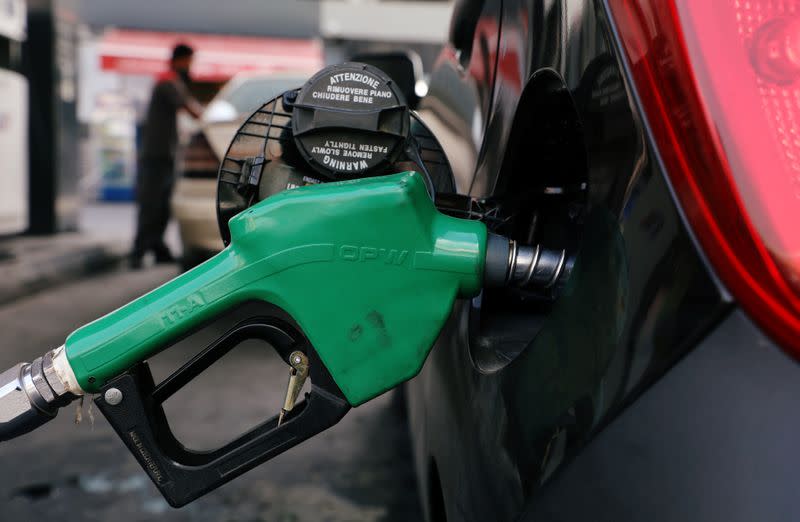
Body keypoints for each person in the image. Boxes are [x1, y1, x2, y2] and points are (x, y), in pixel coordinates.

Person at [130, 43, 203, 269]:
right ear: (181, 60)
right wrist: (206, 116)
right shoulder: (167, 81)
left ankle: (158, 248)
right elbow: (190, 109)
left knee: (162, 204)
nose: (191, 66)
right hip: (156, 155)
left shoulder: (170, 81)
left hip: (165, 154)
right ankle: (138, 252)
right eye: (190, 61)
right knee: (152, 203)